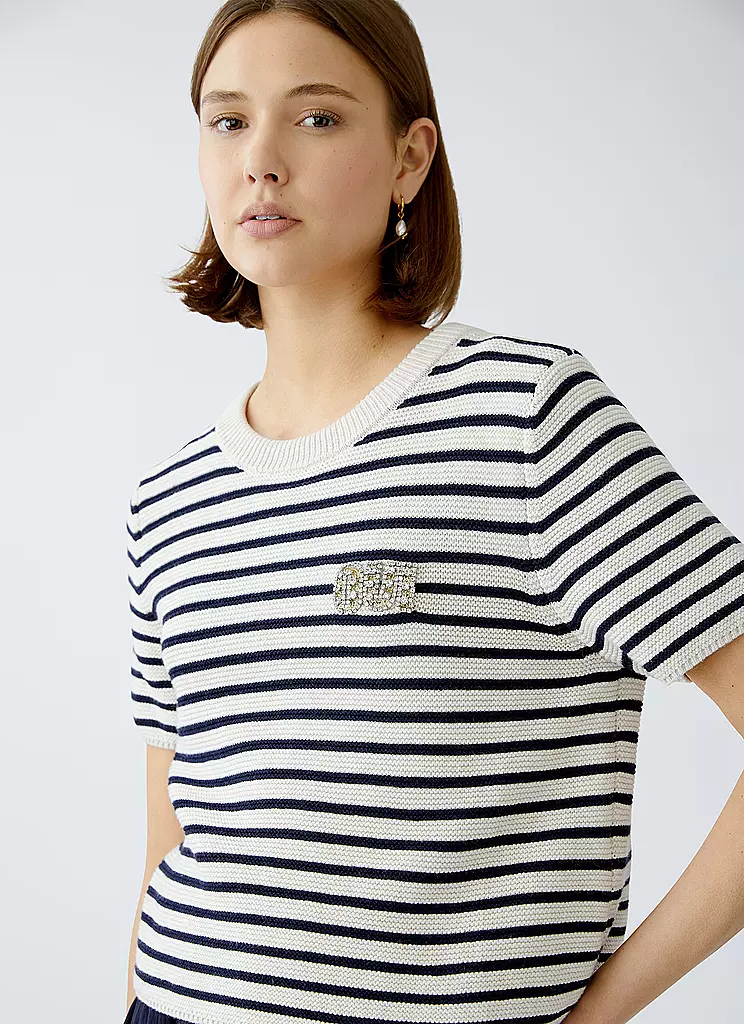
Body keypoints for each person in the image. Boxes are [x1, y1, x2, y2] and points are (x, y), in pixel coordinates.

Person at [123, 2, 744, 1023]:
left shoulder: (528, 418)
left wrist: (596, 1016)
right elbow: (169, 841)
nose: (261, 161)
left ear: (410, 159)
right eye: (228, 121)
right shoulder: (170, 501)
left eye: (316, 118)